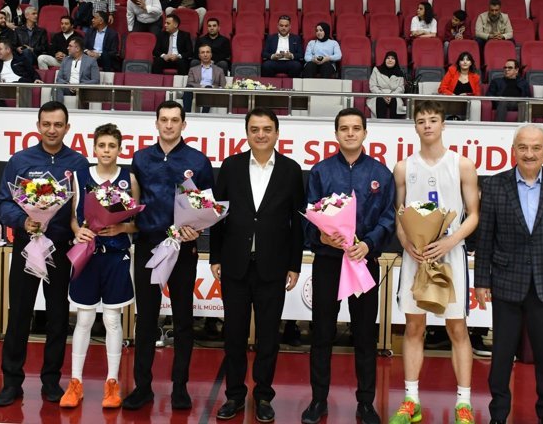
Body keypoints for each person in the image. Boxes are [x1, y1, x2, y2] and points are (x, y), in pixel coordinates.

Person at [474, 124, 543, 424]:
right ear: (514, 150)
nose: (529, 153)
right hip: (506, 283)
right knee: (501, 358)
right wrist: (481, 280)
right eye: (523, 147)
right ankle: (498, 414)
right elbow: (486, 236)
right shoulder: (495, 185)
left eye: (536, 148)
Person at [209, 107, 305, 423]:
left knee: (268, 337)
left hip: (273, 267)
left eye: (266, 129)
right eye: (254, 129)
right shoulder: (231, 166)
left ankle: (263, 396)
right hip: (235, 264)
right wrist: (215, 256)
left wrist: (294, 265)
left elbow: (298, 223)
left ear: (277, 133)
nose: (260, 134)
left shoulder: (291, 170)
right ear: (247, 133)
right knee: (233, 336)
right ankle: (235, 395)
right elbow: (217, 215)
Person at [301, 108, 395, 424]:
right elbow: (310, 214)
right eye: (344, 128)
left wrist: (368, 244)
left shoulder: (382, 174)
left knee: (365, 335)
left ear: (365, 133)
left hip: (363, 262)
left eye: (356, 128)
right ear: (336, 133)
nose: (350, 133)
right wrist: (323, 238)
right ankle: (318, 400)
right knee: (323, 333)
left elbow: (388, 217)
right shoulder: (320, 171)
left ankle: (366, 403)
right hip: (328, 263)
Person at [0, 101, 89, 407]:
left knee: (58, 316)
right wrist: (24, 220)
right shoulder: (20, 160)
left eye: (58, 125)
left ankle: (51, 380)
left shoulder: (78, 162)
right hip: (26, 246)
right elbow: (3, 203)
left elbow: (85, 207)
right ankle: (11, 382)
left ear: (67, 128)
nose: (52, 130)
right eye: (46, 124)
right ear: (38, 126)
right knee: (19, 313)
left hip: (61, 248)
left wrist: (82, 227)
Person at [389, 100, 480, 424]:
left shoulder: (462, 165)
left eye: (433, 120)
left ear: (443, 125)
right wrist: (406, 243)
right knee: (414, 326)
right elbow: (399, 215)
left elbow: (474, 215)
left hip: (450, 256)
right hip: (416, 257)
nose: (427, 125)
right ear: (415, 126)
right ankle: (411, 399)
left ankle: (464, 403)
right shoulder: (403, 167)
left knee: (457, 328)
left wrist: (450, 241)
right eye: (421, 120)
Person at [122, 100, 215, 412]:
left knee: (183, 318)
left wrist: (197, 230)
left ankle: (180, 388)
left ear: (184, 124)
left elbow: (207, 208)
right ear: (157, 123)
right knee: (145, 318)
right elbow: (133, 203)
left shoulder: (198, 161)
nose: (169, 125)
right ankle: (143, 387)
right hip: (149, 245)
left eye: (175, 120)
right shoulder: (139, 159)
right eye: (164, 120)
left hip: (183, 247)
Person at [61, 123, 139, 409]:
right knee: (83, 319)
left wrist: (120, 228)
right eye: (102, 146)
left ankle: (112, 382)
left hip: (116, 256)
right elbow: (72, 216)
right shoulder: (81, 176)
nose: (107, 151)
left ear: (120, 149)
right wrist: (76, 231)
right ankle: (75, 381)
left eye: (112, 146)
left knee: (112, 320)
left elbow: (136, 222)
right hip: (87, 254)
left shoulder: (128, 178)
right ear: (94, 148)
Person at [0, 39, 41, 106]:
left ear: (8, 50)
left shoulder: (21, 60)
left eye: (0, 49)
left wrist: (36, 79)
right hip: (4, 87)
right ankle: (4, 111)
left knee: (21, 83)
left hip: (20, 84)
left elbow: (32, 72)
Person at [54, 36, 100, 101]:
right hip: (68, 88)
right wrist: (68, 85)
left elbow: (96, 80)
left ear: (77, 48)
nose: (67, 48)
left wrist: (79, 86)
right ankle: (59, 109)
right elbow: (59, 79)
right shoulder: (65, 60)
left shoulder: (91, 61)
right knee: (57, 87)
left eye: (70, 46)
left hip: (83, 89)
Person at [183, 44, 225, 112]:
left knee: (208, 88)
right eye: (203, 52)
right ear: (199, 56)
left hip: (211, 92)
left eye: (207, 52)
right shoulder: (193, 69)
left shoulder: (219, 70)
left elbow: (223, 86)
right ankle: (186, 114)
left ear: (211, 54)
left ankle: (204, 114)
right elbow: (190, 83)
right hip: (196, 91)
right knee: (188, 88)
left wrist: (211, 87)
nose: (205, 55)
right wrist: (202, 86)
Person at [368, 50, 405, 119]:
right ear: (385, 60)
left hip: (394, 95)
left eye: (393, 58)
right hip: (378, 94)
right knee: (380, 100)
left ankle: (395, 126)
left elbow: (401, 88)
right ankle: (379, 125)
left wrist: (391, 96)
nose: (390, 60)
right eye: (388, 58)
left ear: (396, 61)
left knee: (395, 101)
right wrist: (383, 95)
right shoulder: (376, 70)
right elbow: (372, 86)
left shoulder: (400, 73)